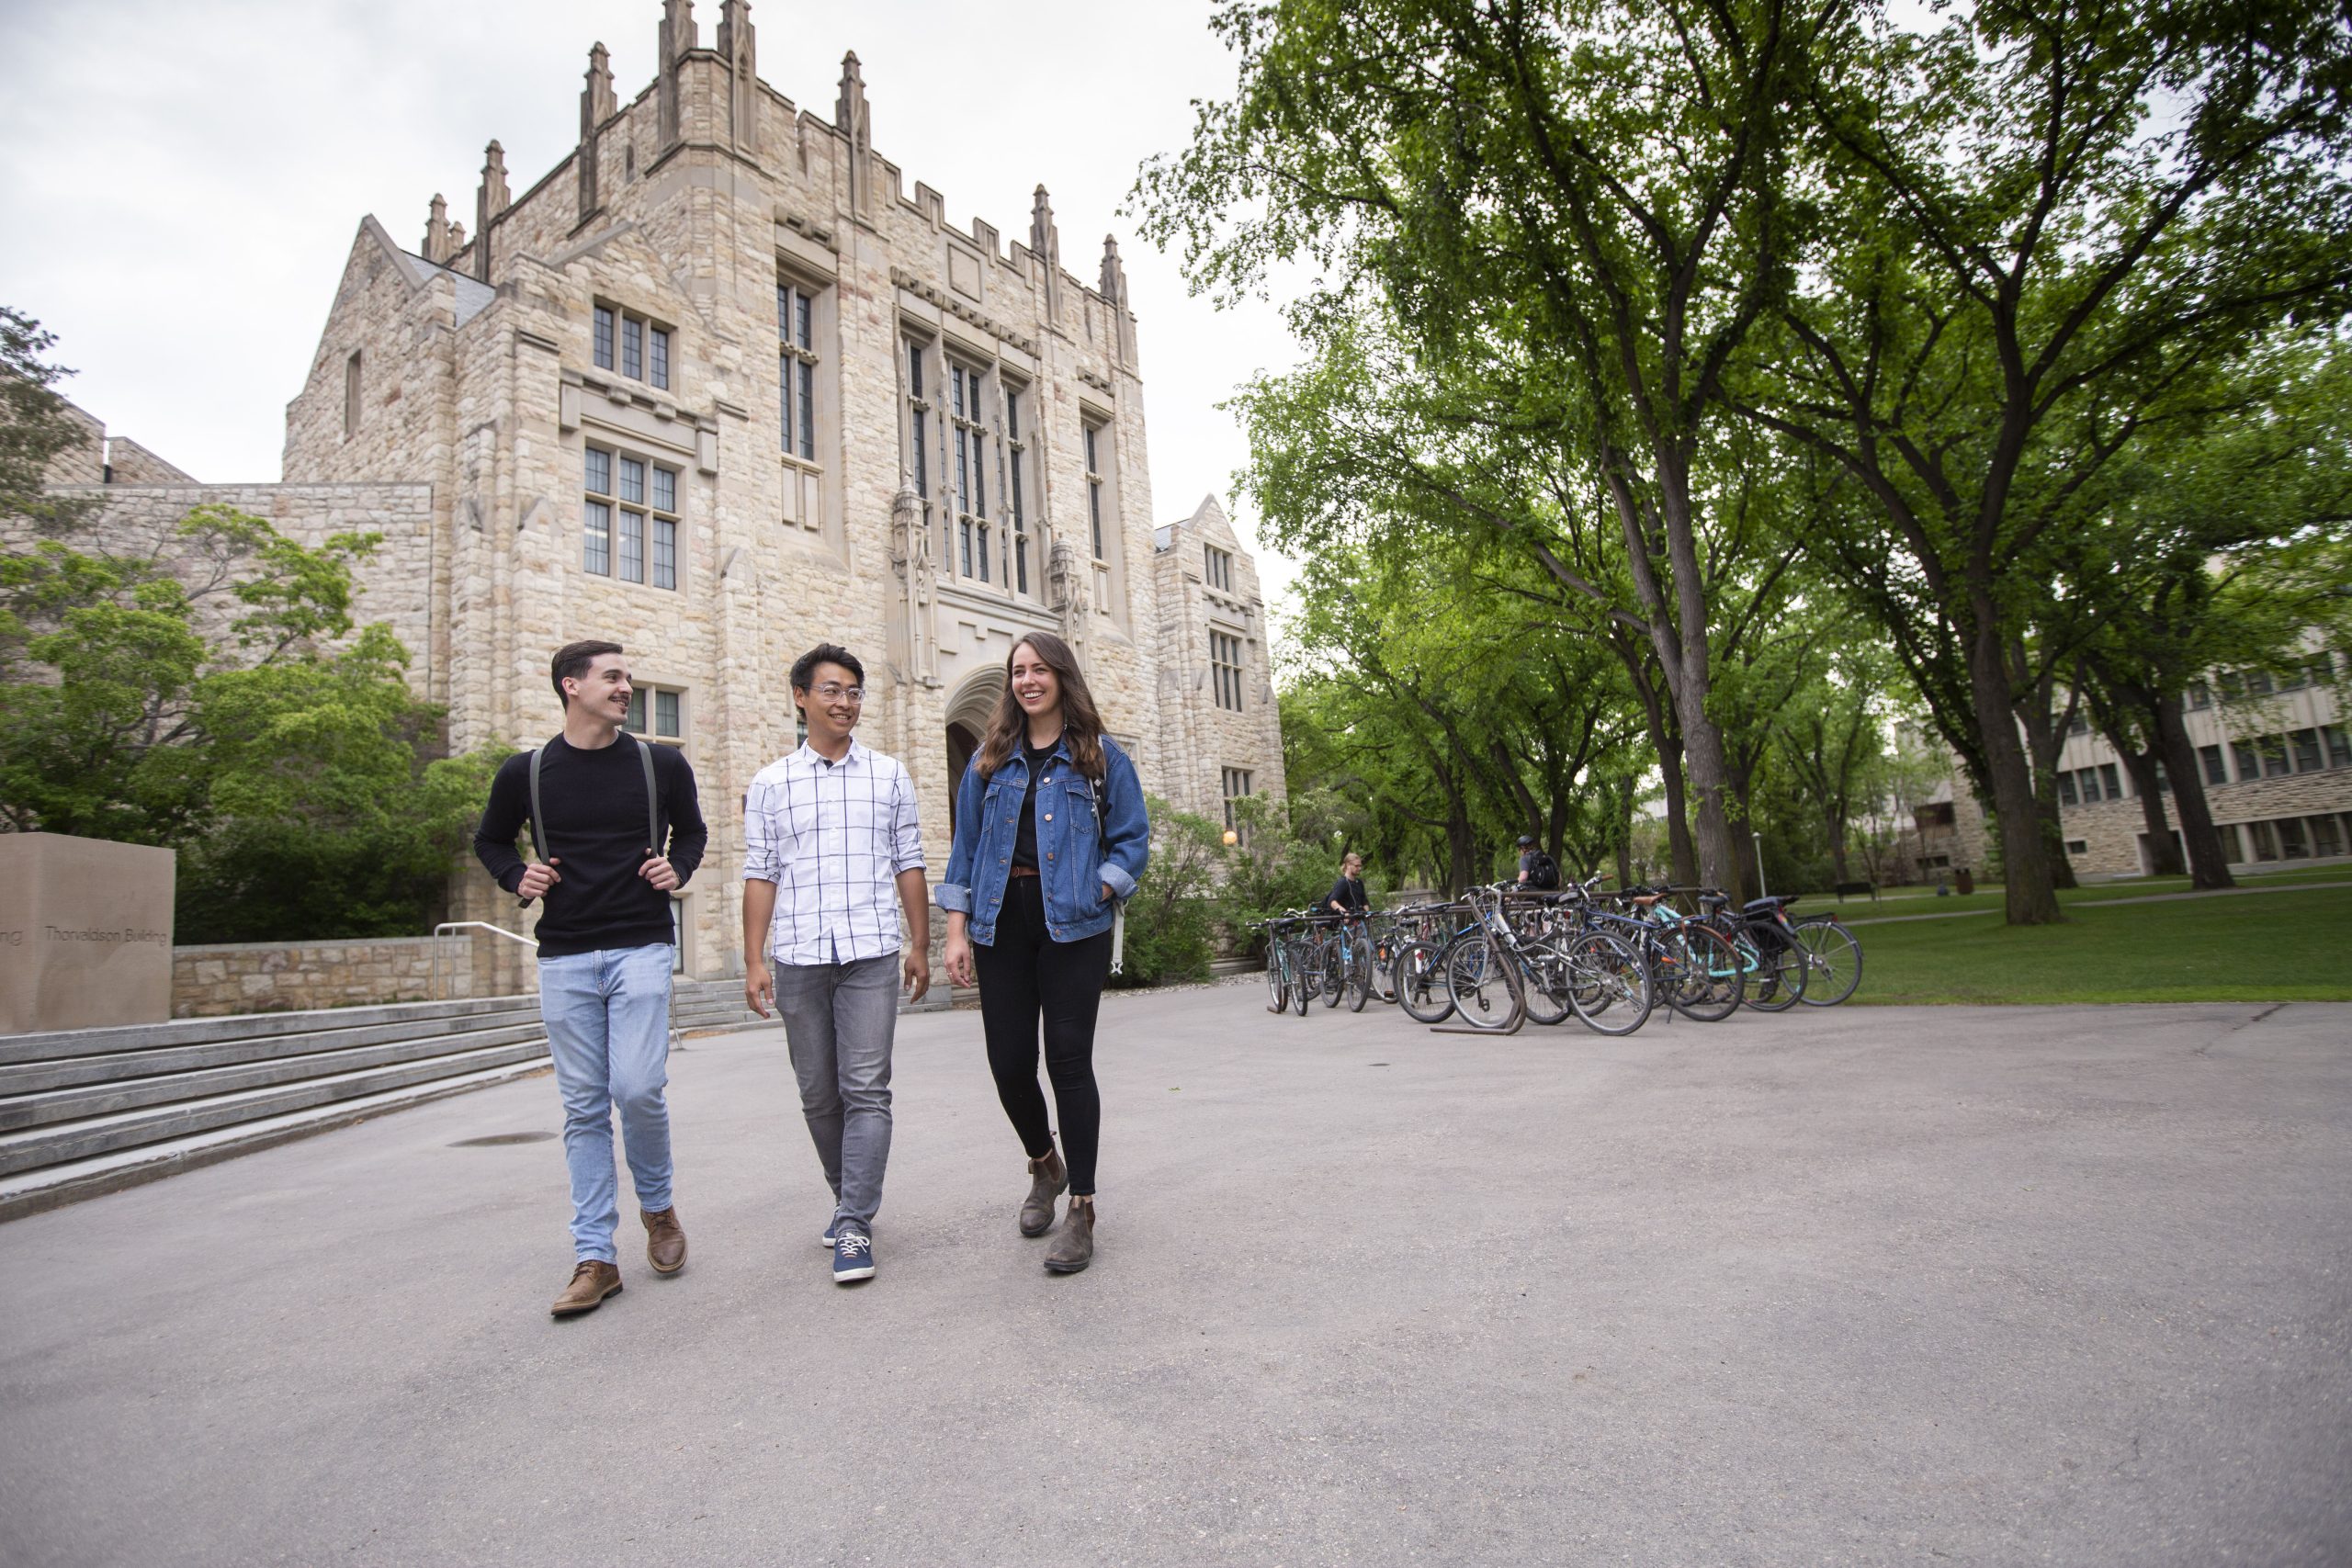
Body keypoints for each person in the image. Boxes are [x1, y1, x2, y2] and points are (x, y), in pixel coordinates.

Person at [473, 640, 707, 1318]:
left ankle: (658, 1208)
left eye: (628, 676)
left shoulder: (659, 762)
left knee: (636, 1087)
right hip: (565, 954)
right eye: (612, 677)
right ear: (571, 686)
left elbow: (691, 833)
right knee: (581, 1108)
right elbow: (490, 839)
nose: (625, 686)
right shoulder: (527, 771)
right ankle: (595, 1257)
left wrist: (678, 868)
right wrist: (518, 875)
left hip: (640, 944)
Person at [939, 632, 1148, 1274]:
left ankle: (1081, 1205)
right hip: (1001, 921)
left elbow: (1132, 838)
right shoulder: (989, 758)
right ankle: (1044, 1163)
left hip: (1072, 926)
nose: (1027, 680)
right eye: (1018, 671)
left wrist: (1100, 887)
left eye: (1039, 669)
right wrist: (955, 927)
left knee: (1068, 1061)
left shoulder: (1099, 756)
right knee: (1008, 1064)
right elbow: (966, 848)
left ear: (1061, 676)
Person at [741, 644, 930, 1285]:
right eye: (831, 689)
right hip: (797, 956)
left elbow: (910, 861)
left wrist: (920, 943)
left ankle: (853, 1220)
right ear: (801, 697)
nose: (845, 701)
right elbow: (760, 874)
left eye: (853, 691)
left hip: (871, 952)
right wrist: (753, 959)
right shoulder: (770, 784)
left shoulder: (889, 775)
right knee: (819, 1092)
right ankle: (848, 1196)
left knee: (866, 1089)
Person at [1325, 851, 1370, 918]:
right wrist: (1344, 913)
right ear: (1348, 865)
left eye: (1360, 866)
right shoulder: (1343, 882)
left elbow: (1364, 901)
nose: (1359, 868)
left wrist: (1368, 914)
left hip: (1361, 920)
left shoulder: (1359, 882)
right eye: (1356, 866)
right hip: (1349, 923)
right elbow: (1332, 901)